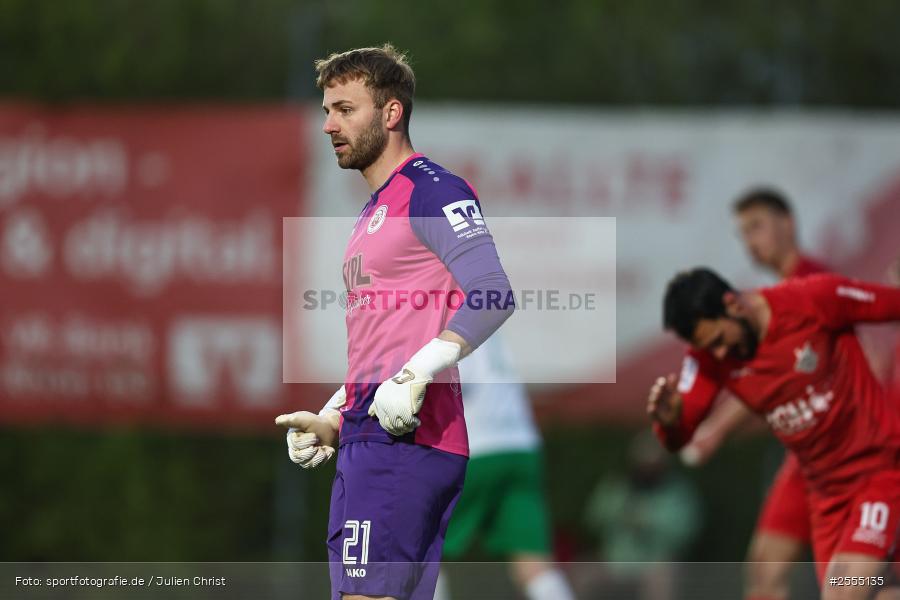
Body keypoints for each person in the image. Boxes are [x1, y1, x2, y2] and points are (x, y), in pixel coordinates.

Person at [275, 45, 515, 600]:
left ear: (391, 112)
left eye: (345, 109)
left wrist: (415, 375)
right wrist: (334, 417)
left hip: (408, 441)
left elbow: (493, 294)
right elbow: (385, 340)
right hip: (366, 438)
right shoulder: (372, 210)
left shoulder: (433, 189)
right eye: (327, 111)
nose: (329, 125)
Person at [649, 267, 900, 600]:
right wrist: (669, 422)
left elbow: (893, 304)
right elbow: (679, 433)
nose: (719, 353)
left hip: (880, 473)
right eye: (709, 348)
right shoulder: (707, 357)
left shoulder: (812, 300)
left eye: (720, 340)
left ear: (733, 304)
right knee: (874, 592)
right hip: (826, 496)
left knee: (843, 590)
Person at [678, 188, 828, 600]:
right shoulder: (771, 301)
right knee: (764, 573)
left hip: (845, 454)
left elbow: (784, 377)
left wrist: (717, 428)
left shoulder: (814, 286)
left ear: (788, 224)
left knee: (857, 583)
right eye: (743, 232)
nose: (750, 241)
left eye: (757, 226)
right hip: (806, 457)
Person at [434, 334, 575, 600]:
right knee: (534, 563)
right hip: (522, 448)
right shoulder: (487, 325)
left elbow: (449, 382)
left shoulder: (444, 324)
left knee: (423, 550)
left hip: (474, 448)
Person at [583, 431, 700, 600]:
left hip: (654, 564)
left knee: (663, 577)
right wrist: (619, 515)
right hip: (613, 562)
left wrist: (648, 522)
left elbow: (687, 531)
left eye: (652, 465)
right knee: (583, 572)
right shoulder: (615, 487)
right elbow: (593, 519)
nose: (647, 470)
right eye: (643, 464)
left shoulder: (678, 493)